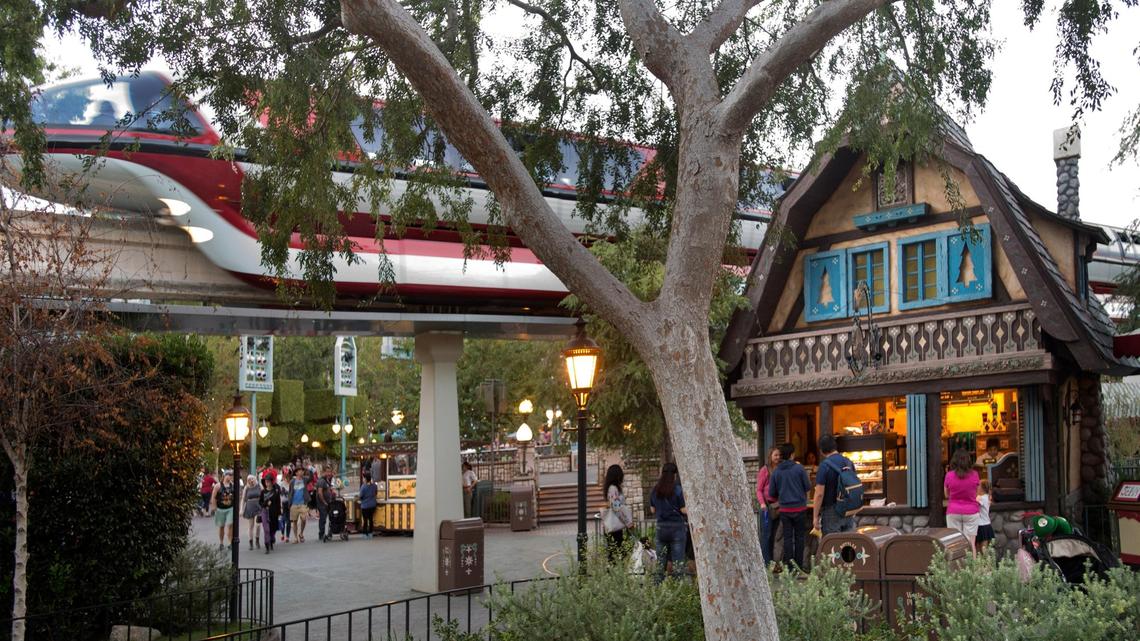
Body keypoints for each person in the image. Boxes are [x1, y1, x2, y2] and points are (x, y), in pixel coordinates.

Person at [769, 443, 811, 571]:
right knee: (799, 537)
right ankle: (799, 566)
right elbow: (808, 486)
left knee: (787, 538)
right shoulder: (799, 469)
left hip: (785, 510)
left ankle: (789, 566)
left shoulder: (776, 471)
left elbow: (771, 494)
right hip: (799, 509)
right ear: (792, 454)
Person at [813, 434, 857, 536]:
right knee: (848, 545)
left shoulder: (824, 466)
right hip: (848, 510)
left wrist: (815, 517)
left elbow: (819, 494)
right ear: (835, 446)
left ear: (821, 450)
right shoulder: (849, 462)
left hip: (831, 511)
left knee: (832, 547)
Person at [650, 463, 687, 581]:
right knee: (678, 564)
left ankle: (656, 589)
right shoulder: (678, 490)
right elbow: (683, 510)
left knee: (660, 563)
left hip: (661, 528)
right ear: (675, 475)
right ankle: (678, 591)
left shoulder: (656, 489)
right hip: (677, 528)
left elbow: (652, 509)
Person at [945, 448, 981, 555]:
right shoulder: (975, 474)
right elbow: (976, 494)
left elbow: (947, 494)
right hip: (971, 512)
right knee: (971, 544)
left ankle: (957, 570)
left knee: (955, 545)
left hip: (953, 512)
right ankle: (972, 570)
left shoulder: (949, 475)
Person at [602, 464, 634, 563]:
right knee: (616, 554)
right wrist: (627, 522)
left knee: (616, 553)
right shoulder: (613, 488)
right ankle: (614, 575)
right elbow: (616, 507)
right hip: (615, 527)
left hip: (616, 526)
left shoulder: (613, 488)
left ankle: (615, 574)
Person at [755, 446, 781, 564]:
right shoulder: (765, 470)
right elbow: (759, 489)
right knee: (766, 534)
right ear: (770, 456)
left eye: (779, 455)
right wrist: (762, 504)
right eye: (775, 455)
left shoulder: (780, 469)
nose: (777, 457)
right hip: (766, 506)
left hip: (778, 506)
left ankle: (772, 560)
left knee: (775, 534)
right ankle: (765, 561)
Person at [211, 471, 236, 550]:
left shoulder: (233, 486)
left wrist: (237, 507)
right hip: (220, 509)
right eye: (229, 475)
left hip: (230, 508)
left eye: (231, 475)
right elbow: (213, 496)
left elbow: (236, 497)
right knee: (221, 526)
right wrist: (214, 506)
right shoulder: (218, 486)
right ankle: (221, 543)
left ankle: (230, 542)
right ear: (224, 476)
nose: (230, 476)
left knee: (230, 525)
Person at [259, 476, 281, 553]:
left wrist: (279, 513)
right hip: (265, 511)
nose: (267, 483)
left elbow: (278, 503)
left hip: (273, 512)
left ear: (271, 482)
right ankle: (267, 545)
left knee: (272, 528)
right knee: (266, 529)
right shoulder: (263, 492)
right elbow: (260, 502)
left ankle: (271, 540)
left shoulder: (275, 492)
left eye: (268, 481)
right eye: (266, 481)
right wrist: (265, 503)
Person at [288, 467, 309, 543]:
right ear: (296, 473)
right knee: (294, 521)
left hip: (303, 503)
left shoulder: (305, 480)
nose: (301, 472)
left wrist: (309, 468)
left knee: (304, 519)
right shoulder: (292, 481)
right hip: (294, 503)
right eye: (299, 471)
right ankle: (296, 538)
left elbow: (311, 477)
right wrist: (289, 503)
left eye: (302, 471)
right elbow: (290, 493)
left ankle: (301, 533)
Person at [241, 474, 262, 550]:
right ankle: (251, 542)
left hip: (258, 506)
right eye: (249, 480)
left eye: (252, 479)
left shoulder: (259, 485)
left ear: (255, 479)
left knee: (258, 525)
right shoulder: (246, 487)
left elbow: (263, 494)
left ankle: (257, 539)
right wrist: (241, 509)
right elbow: (243, 499)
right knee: (251, 526)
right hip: (249, 507)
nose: (251, 481)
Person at [316, 467, 336, 542]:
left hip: (328, 503)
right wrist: (324, 502)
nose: (329, 473)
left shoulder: (327, 480)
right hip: (322, 504)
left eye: (330, 472)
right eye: (327, 472)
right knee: (323, 519)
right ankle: (321, 534)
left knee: (331, 518)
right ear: (323, 472)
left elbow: (329, 489)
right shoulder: (321, 481)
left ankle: (329, 533)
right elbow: (320, 492)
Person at [976, 479, 994, 553]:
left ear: (982, 488)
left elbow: (973, 503)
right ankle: (985, 564)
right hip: (986, 525)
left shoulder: (981, 498)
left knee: (982, 550)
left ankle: (984, 564)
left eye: (978, 486)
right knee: (984, 550)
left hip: (981, 525)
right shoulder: (987, 497)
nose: (976, 487)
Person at [359, 472, 378, 538]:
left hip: (365, 506)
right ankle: (370, 533)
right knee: (370, 519)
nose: (363, 479)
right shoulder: (374, 486)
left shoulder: (363, 486)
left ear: (366, 479)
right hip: (372, 505)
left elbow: (361, 496)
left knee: (365, 520)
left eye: (364, 478)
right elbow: (376, 493)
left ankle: (365, 533)